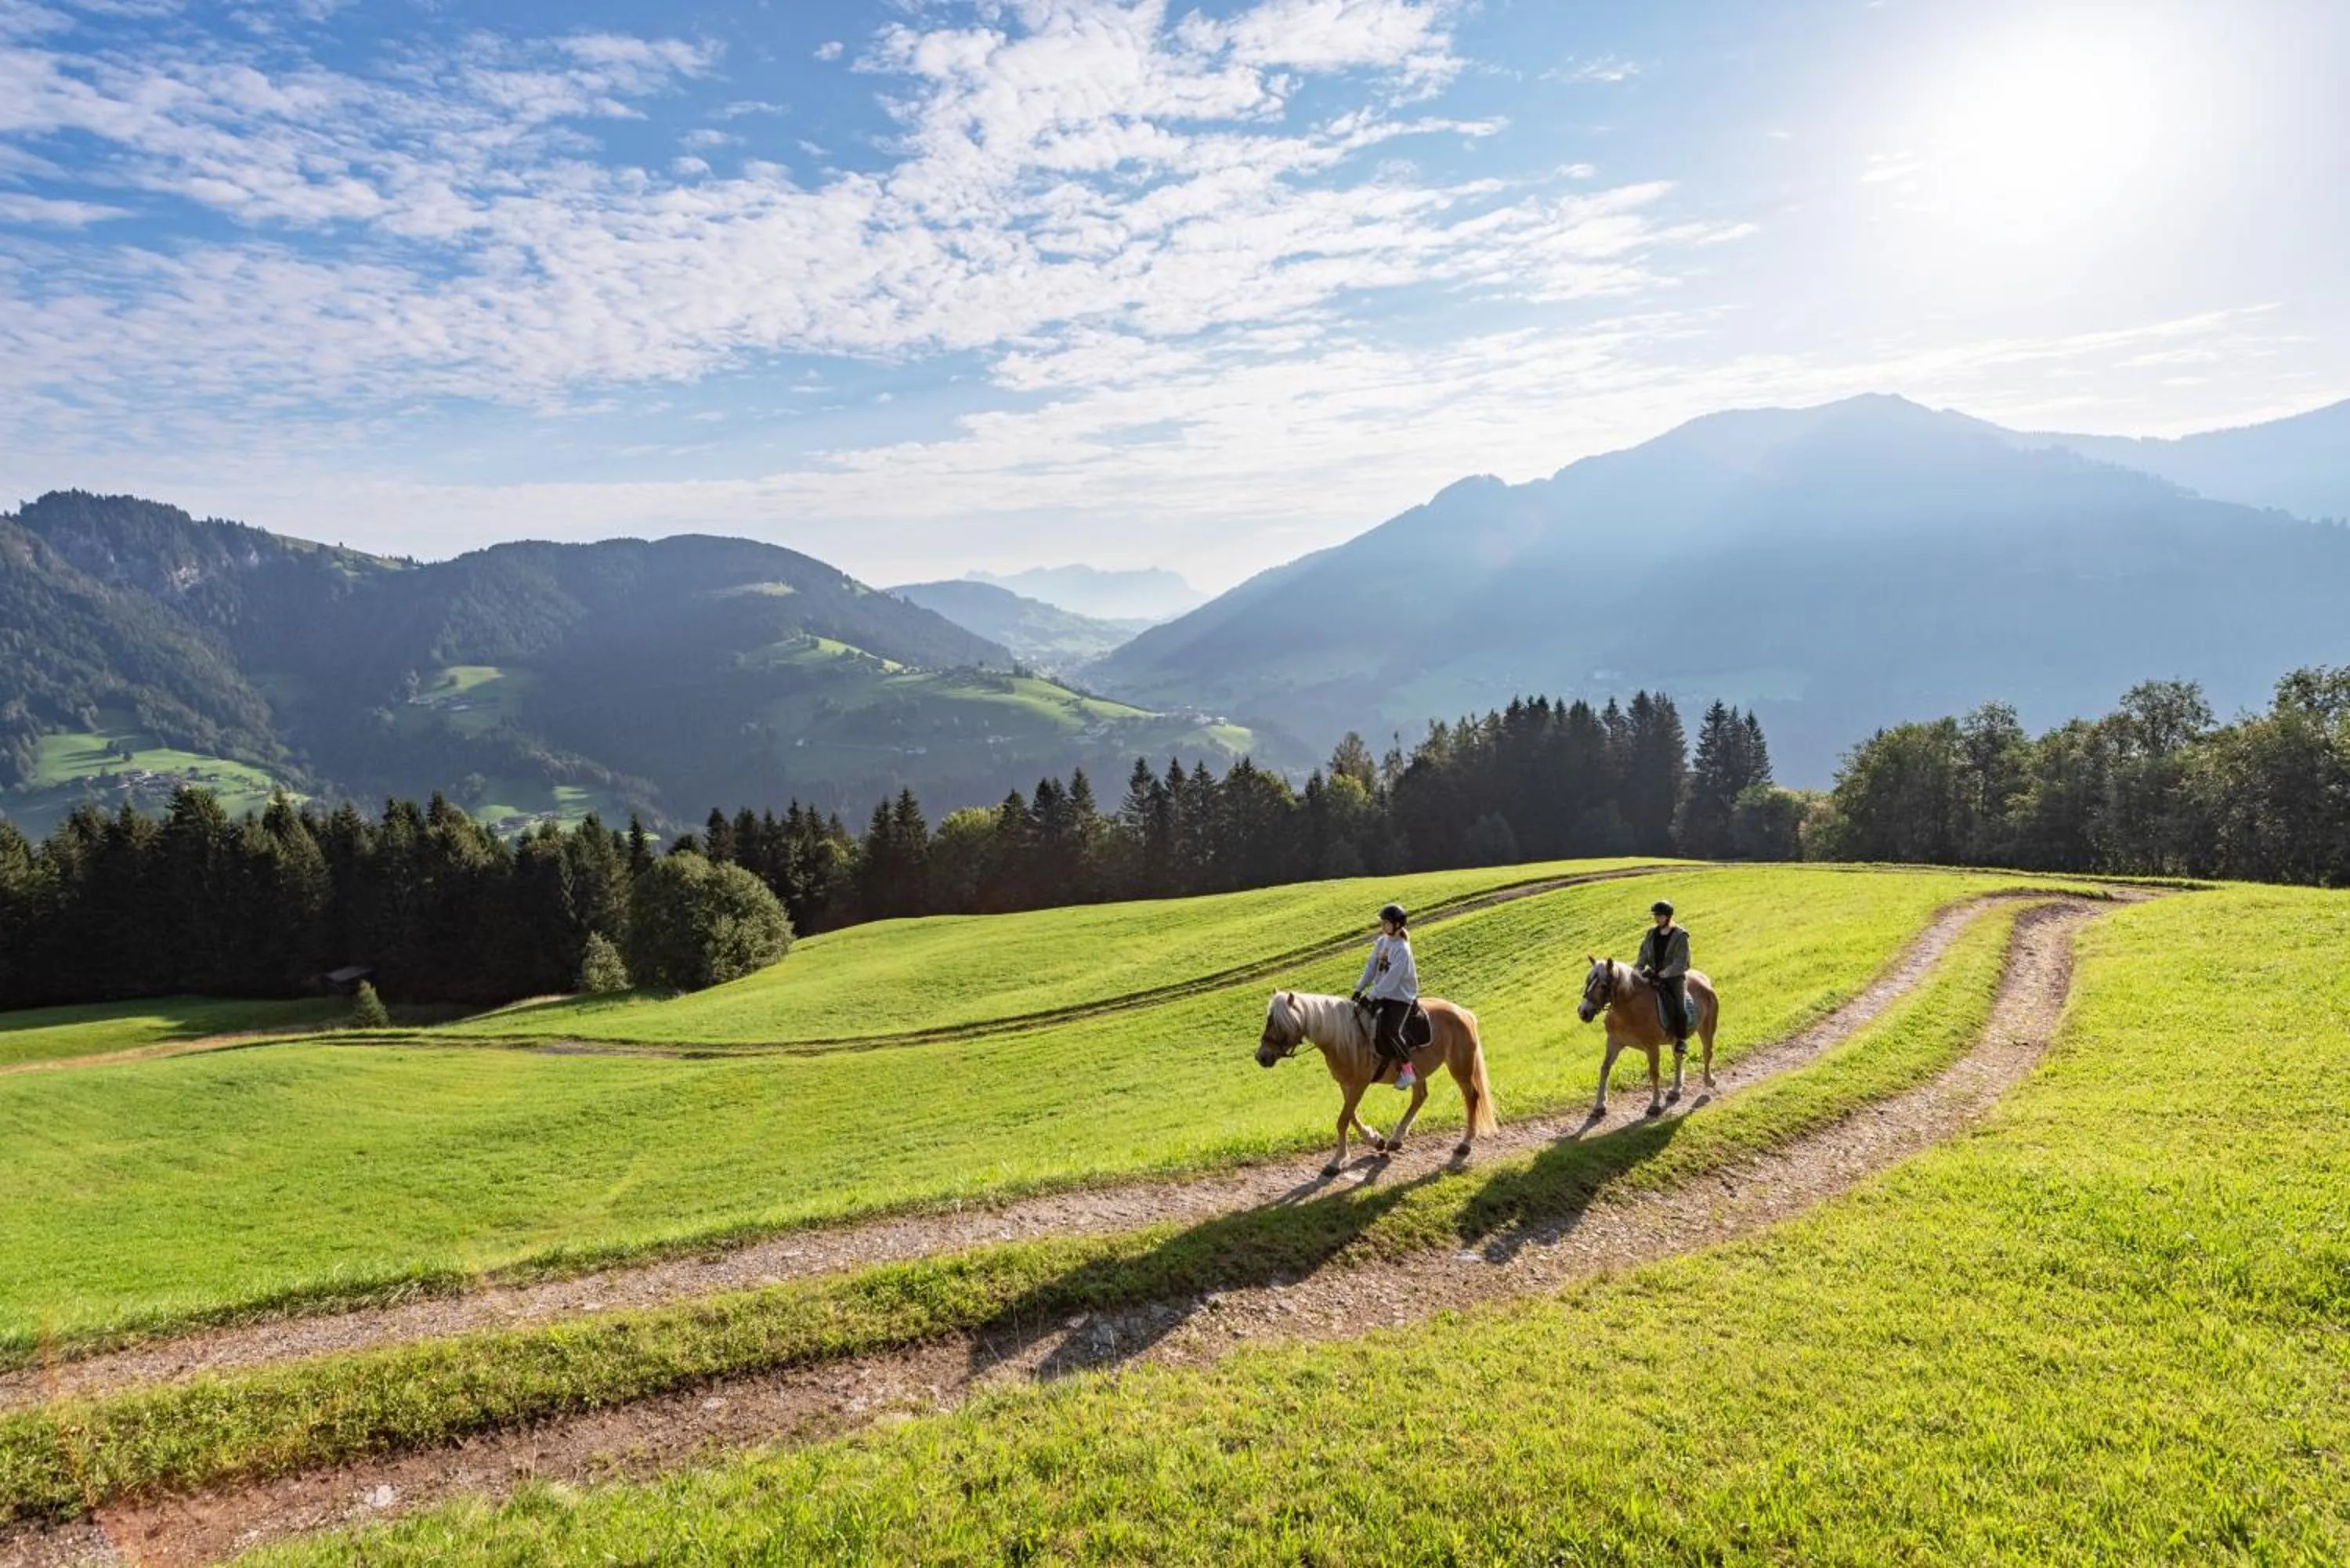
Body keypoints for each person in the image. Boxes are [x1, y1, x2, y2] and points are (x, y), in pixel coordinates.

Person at [1351, 902, 1420, 1090]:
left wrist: (1371, 996)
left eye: (1386, 923)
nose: (1382, 926)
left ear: (1397, 925)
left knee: (1391, 1030)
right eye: (1382, 923)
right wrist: (1360, 988)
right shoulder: (1382, 942)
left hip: (1401, 996)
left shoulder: (1402, 950)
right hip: (1383, 992)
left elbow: (1391, 981)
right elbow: (1371, 967)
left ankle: (1408, 1071)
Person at [1636, 898, 1692, 1042]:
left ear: (1668, 916)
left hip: (1674, 978)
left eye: (1659, 916)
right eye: (1655, 915)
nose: (1656, 919)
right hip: (1653, 975)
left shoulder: (1680, 935)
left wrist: (1665, 973)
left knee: (1680, 1008)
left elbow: (1681, 961)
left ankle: (1681, 1040)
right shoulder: (1651, 934)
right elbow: (1643, 953)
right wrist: (1638, 970)